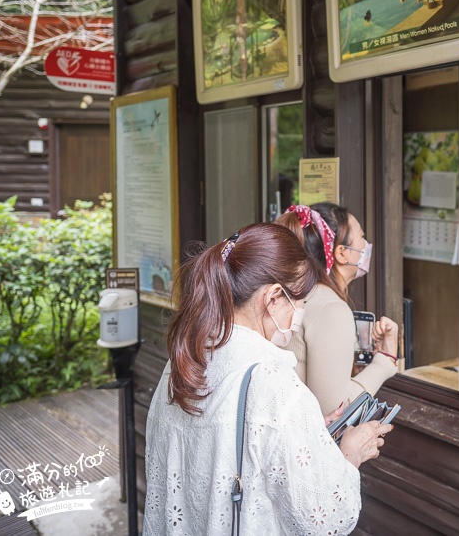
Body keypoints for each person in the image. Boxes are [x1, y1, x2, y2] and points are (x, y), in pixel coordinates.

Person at [144, 223, 391, 535]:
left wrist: (309, 434)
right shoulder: (274, 383)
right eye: (299, 305)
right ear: (274, 298)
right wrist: (349, 455)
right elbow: (326, 519)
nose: (298, 320)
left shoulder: (186, 358)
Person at [275, 203, 398, 415]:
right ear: (342, 253)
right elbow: (333, 411)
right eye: (362, 236)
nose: (367, 244)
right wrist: (384, 361)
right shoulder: (330, 308)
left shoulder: (297, 293)